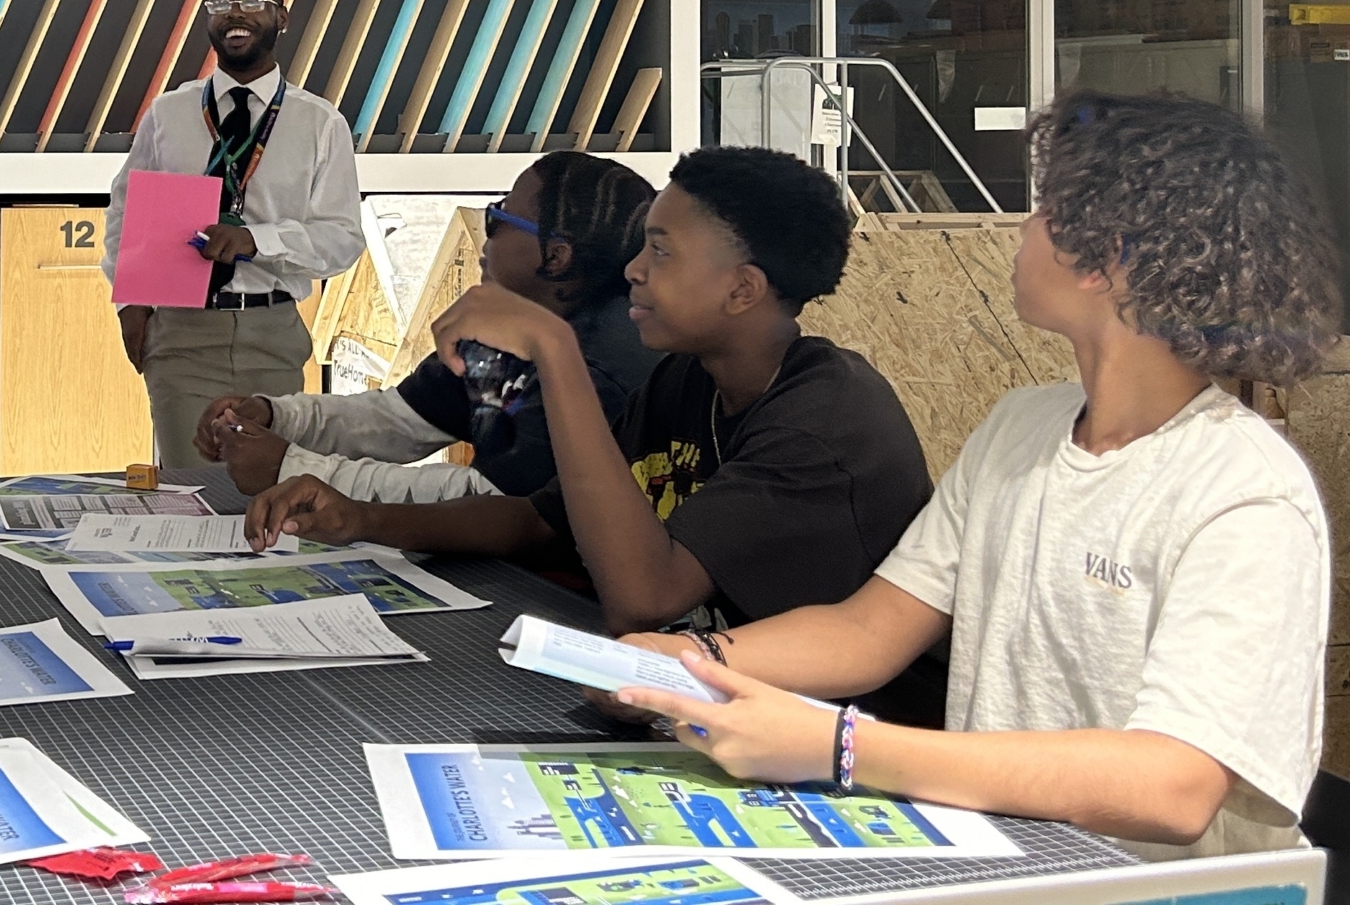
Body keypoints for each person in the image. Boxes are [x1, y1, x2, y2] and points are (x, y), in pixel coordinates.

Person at [608, 92, 1340, 859]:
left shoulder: (1243, 491)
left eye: (1044, 209)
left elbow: (1173, 786)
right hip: (1005, 866)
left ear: (1108, 257)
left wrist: (841, 747)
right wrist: (693, 664)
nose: (1022, 229)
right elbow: (869, 631)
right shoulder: (1018, 429)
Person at [246, 146, 939, 720]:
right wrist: (359, 517)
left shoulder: (824, 418)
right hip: (709, 702)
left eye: (662, 253)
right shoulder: (689, 380)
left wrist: (554, 350)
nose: (633, 269)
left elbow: (646, 595)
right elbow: (540, 519)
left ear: (742, 290)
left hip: (845, 736)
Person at [194, 151, 660, 501]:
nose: (484, 231)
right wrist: (278, 417)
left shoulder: (602, 367)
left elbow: (496, 501)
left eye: (497, 217)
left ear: (556, 256)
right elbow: (398, 422)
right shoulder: (500, 335)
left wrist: (293, 471)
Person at [103, 0, 364, 469]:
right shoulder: (170, 114)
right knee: (190, 494)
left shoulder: (320, 124)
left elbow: (342, 240)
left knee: (270, 493)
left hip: (272, 333)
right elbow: (124, 212)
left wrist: (257, 240)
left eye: (252, 1)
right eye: (221, 3)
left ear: (281, 19)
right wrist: (129, 303)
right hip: (182, 335)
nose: (235, 13)